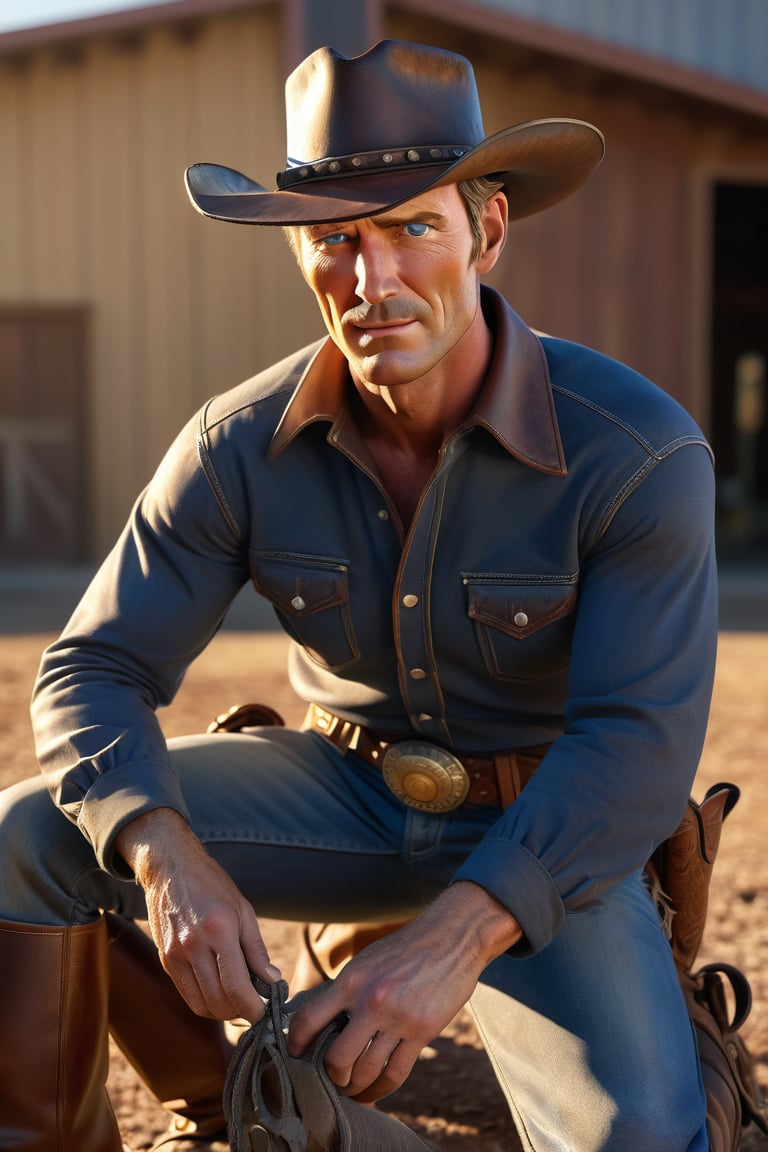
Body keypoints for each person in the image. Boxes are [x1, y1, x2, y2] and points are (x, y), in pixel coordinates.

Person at [0, 38, 720, 1152]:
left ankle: (322, 1111)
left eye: (411, 229)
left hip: (544, 839)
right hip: (339, 794)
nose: (370, 281)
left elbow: (635, 743)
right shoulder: (236, 446)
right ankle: (230, 1103)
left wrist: (450, 942)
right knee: (27, 838)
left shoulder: (637, 453)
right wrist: (165, 854)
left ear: (486, 230)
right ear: (299, 255)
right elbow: (93, 667)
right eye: (334, 240)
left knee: (640, 1140)